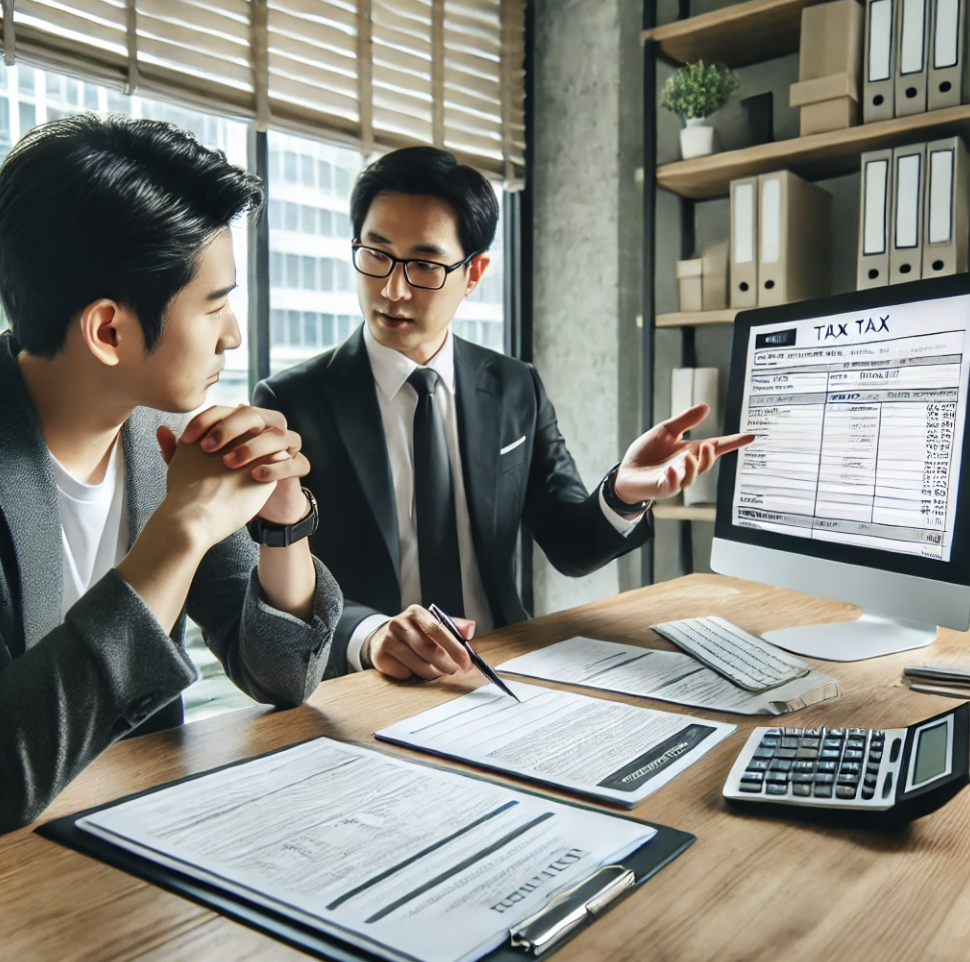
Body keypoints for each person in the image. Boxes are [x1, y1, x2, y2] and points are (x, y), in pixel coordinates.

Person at [255, 146, 749, 682]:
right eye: (376, 255)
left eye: (424, 265)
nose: (393, 289)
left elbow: (569, 546)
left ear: (474, 274)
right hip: (366, 684)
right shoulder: (290, 403)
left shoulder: (515, 387)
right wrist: (370, 634)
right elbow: (277, 592)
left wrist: (622, 495)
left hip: (505, 670)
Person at [0, 114, 343, 833]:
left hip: (139, 837)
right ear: (108, 330)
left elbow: (283, 676)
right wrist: (180, 533)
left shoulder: (163, 443)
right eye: (215, 305)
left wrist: (283, 518)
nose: (234, 335)